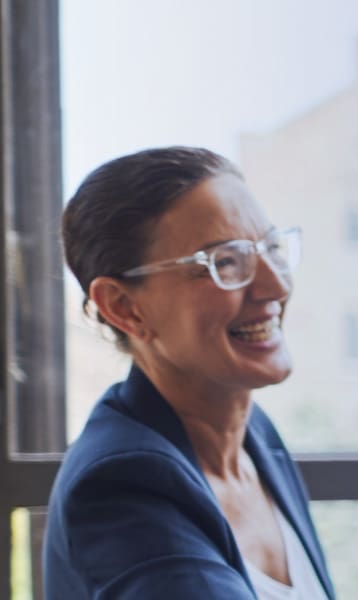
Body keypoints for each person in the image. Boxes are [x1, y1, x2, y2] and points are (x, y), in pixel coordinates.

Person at [43, 147, 332, 599]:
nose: (276, 285)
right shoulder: (122, 483)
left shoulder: (254, 436)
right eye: (225, 262)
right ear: (125, 308)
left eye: (271, 248)